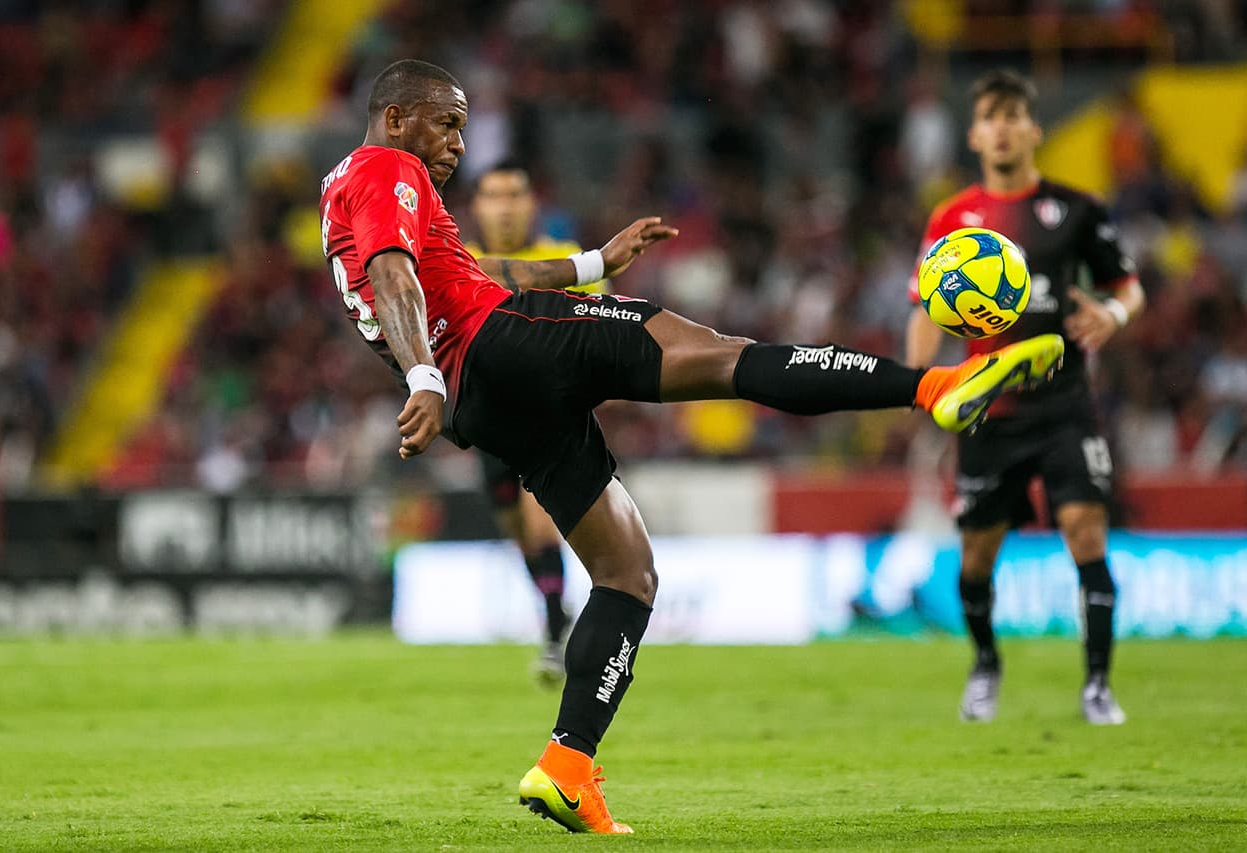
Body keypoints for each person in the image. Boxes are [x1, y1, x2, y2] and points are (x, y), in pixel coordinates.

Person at [321, 59, 1064, 835]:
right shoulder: (386, 165)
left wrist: (592, 266)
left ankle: (568, 767)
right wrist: (421, 377)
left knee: (627, 572)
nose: (458, 144)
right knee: (720, 355)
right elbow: (395, 273)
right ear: (398, 117)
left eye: (464, 126)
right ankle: (930, 388)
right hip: (500, 347)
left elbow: (469, 267)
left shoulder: (348, 190)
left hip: (488, 406)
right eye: (447, 123)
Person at [905, 69, 1146, 726]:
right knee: (978, 552)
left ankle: (1098, 683)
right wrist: (917, 381)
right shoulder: (953, 218)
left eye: (1015, 115)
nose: (1004, 127)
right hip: (989, 410)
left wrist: (1113, 317)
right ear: (975, 133)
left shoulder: (1076, 209)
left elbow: (1128, 286)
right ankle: (986, 663)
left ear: (1034, 129)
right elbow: (926, 305)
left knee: (1085, 531)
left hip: (1065, 403)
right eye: (992, 116)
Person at [465, 160, 607, 684]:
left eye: (514, 194)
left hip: (549, 419)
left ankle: (553, 634)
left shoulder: (567, 263)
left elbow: (597, 342)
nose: (504, 206)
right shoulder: (462, 262)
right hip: (486, 426)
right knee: (517, 532)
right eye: (493, 196)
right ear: (477, 207)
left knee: (537, 517)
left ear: (532, 203)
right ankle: (557, 613)